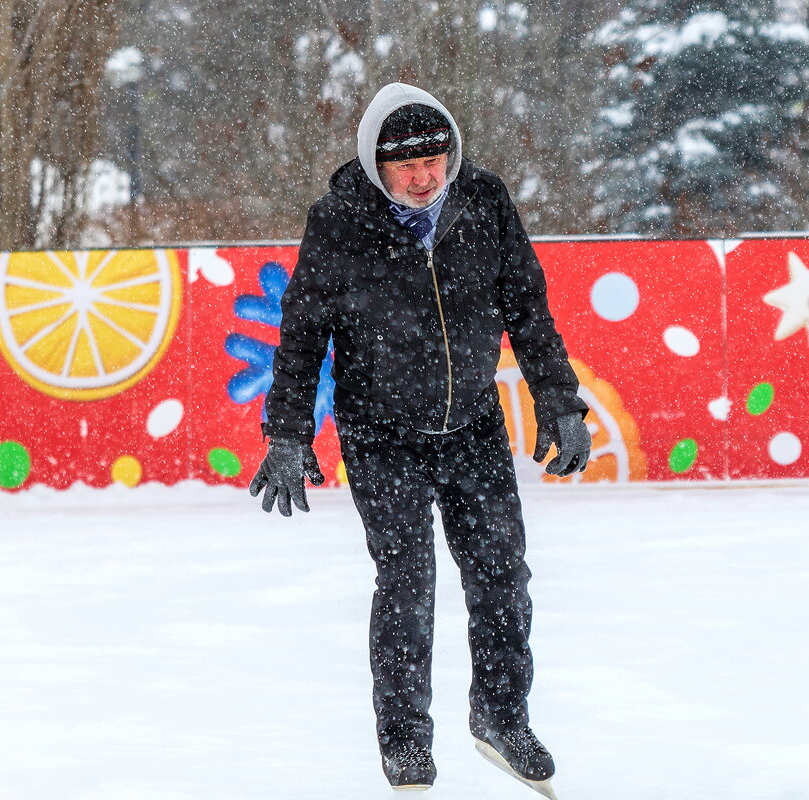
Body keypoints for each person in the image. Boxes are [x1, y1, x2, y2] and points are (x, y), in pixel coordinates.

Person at [249, 82, 590, 796]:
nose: (424, 177)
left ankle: (502, 718)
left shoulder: (484, 200)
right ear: (377, 165)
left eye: (434, 160)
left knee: (502, 575)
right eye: (406, 165)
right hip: (381, 433)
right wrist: (286, 432)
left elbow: (528, 308)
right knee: (407, 583)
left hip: (474, 425)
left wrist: (559, 401)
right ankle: (405, 740)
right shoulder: (339, 220)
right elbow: (304, 331)